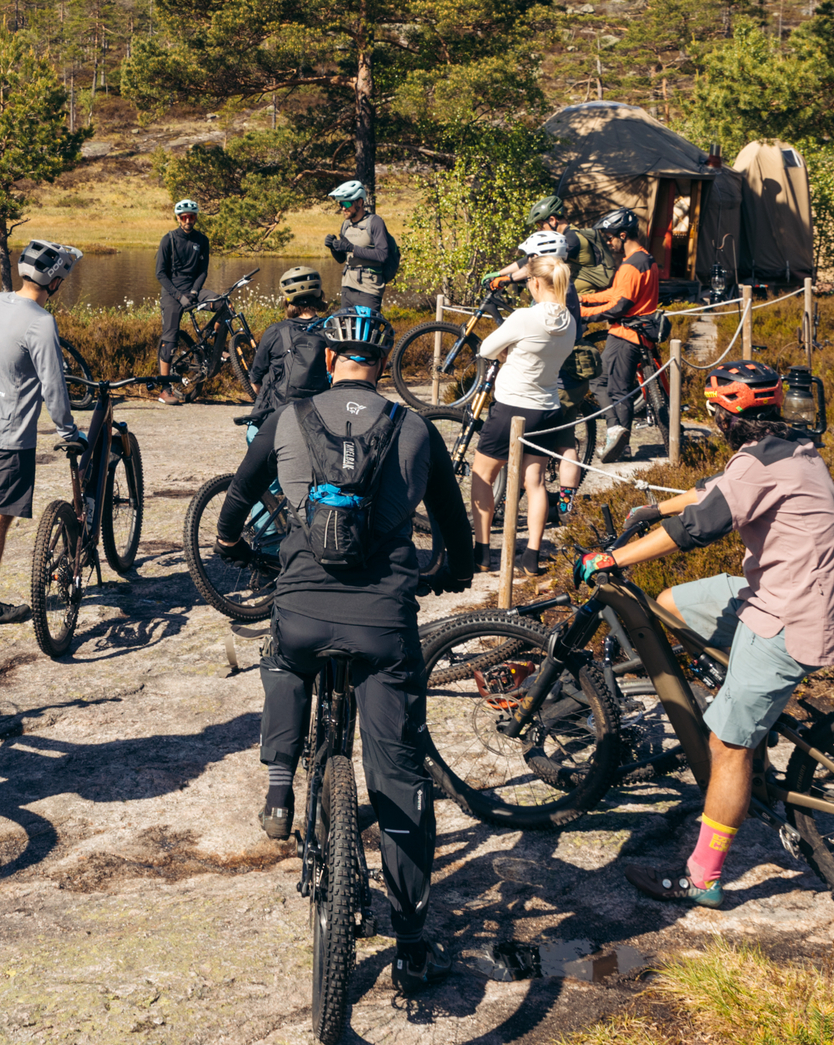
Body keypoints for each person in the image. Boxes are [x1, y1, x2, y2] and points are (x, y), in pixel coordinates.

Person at [216, 310, 462, 996]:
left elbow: (235, 501)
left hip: (300, 610)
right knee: (399, 772)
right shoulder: (415, 428)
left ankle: (277, 784)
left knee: (284, 657)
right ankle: (411, 945)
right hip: (383, 626)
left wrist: (231, 547)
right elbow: (456, 531)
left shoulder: (286, 419)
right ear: (383, 365)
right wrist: (451, 568)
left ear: (329, 360)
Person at [574, 361, 834, 910]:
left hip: (788, 615)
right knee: (673, 604)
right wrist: (651, 507)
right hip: (780, 591)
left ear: (722, 416)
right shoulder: (786, 445)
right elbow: (716, 490)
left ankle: (704, 877)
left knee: (726, 747)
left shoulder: (760, 462)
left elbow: (697, 527)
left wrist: (614, 556)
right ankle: (742, 708)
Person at [0, 239, 83, 625]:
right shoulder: (41, 322)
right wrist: (68, 430)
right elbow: (54, 386)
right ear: (56, 282)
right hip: (9, 437)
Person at [469, 258, 578, 576]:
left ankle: (482, 552)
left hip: (512, 407)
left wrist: (506, 353)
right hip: (546, 408)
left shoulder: (525, 317)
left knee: (483, 476)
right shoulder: (569, 321)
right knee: (536, 483)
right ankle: (531, 557)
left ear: (535, 283)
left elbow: (486, 348)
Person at [578, 208, 660, 461]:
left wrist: (585, 315)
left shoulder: (631, 266)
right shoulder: (645, 259)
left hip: (626, 335)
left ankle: (619, 443)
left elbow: (619, 306)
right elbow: (614, 294)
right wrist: (583, 299)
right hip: (634, 334)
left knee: (615, 390)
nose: (609, 242)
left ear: (623, 235)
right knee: (603, 383)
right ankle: (616, 433)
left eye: (611, 237)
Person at [244, 266, 332, 442]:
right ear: (319, 294)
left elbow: (255, 381)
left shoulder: (276, 331)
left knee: (252, 437)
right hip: (320, 417)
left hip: (278, 417)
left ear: (287, 299)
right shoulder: (332, 330)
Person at [155, 199, 210, 405]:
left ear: (196, 218)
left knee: (222, 305)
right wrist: (179, 296)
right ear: (178, 218)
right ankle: (164, 389)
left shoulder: (202, 240)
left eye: (192, 216)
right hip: (172, 292)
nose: (188, 220)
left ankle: (216, 348)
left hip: (194, 290)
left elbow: (203, 271)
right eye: (184, 217)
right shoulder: (168, 240)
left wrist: (195, 291)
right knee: (170, 341)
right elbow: (160, 274)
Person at [324, 178, 401, 313]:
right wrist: (333, 247)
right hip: (347, 287)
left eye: (347, 203)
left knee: (366, 331)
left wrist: (352, 248)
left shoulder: (375, 222)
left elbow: (382, 255)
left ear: (360, 202)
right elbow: (342, 259)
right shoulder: (346, 225)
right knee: (346, 330)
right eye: (341, 203)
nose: (343, 208)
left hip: (369, 289)